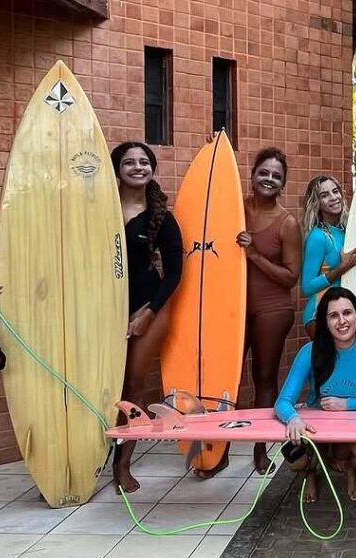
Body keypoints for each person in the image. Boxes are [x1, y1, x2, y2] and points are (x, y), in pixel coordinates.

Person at [202, 147, 302, 478]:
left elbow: (291, 277)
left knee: (263, 378)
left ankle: (260, 451)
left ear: (283, 183)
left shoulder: (287, 223)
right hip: (232, 305)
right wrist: (212, 154)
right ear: (253, 173)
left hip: (272, 308)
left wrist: (255, 254)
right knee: (225, 379)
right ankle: (219, 451)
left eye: (276, 176)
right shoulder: (235, 207)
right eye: (264, 172)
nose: (269, 179)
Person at [278, 287, 356, 502]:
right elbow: (283, 401)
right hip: (316, 428)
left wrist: (347, 404)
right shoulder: (310, 351)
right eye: (333, 315)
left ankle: (350, 468)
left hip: (352, 426)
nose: (342, 321)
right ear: (325, 322)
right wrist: (293, 418)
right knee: (295, 459)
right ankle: (311, 473)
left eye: (347, 313)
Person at [110, 142, 184, 493]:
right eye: (129, 162)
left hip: (150, 308)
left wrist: (148, 312)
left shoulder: (161, 218)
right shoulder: (99, 210)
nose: (137, 167)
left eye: (144, 162)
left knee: (133, 388)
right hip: (104, 309)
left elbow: (173, 274)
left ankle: (122, 465)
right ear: (117, 168)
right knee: (104, 384)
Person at [299, 175, 356, 338]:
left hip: (344, 311)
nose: (333, 198)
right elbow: (307, 287)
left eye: (335, 191)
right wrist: (341, 268)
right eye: (324, 195)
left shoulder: (349, 230)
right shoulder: (318, 237)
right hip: (320, 314)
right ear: (317, 203)